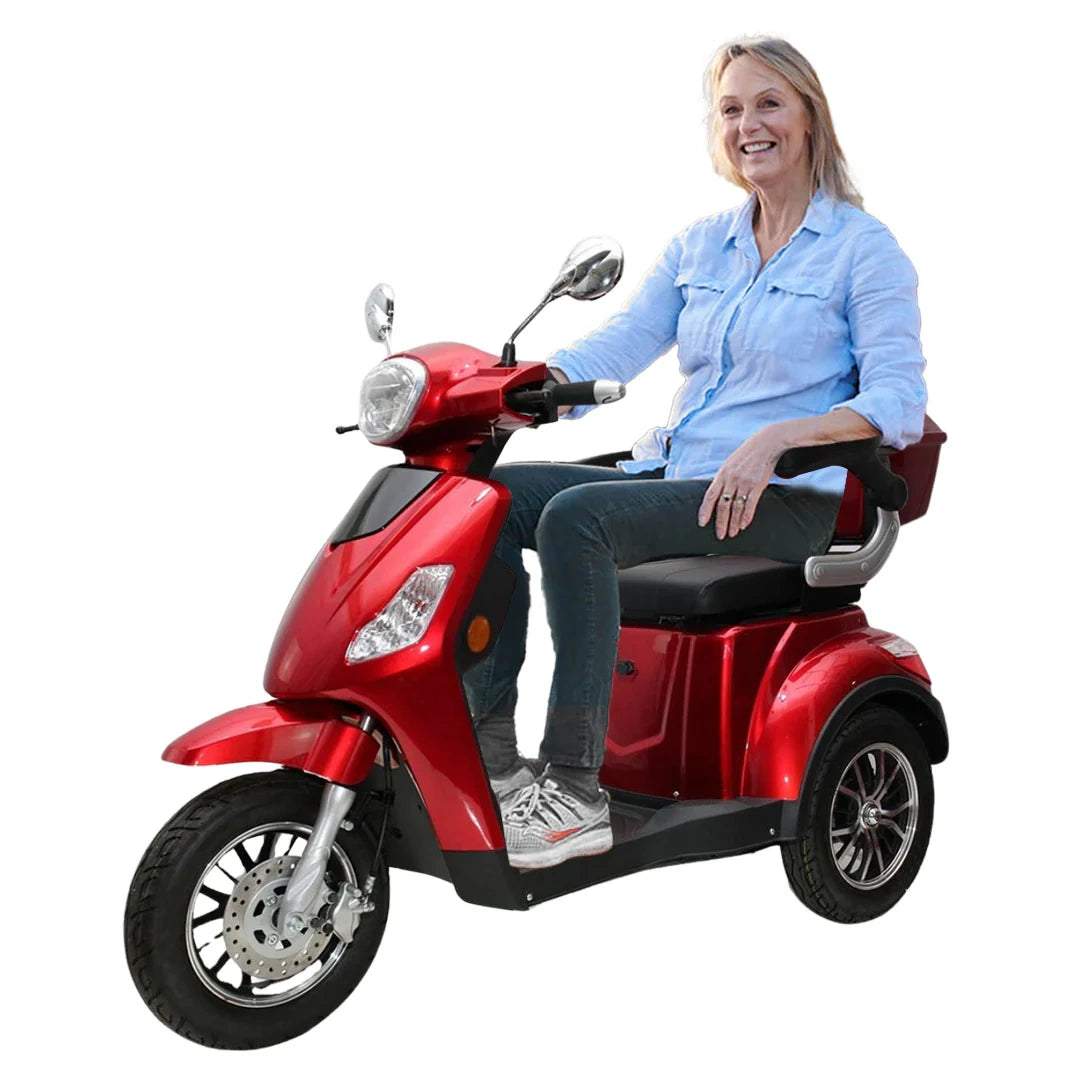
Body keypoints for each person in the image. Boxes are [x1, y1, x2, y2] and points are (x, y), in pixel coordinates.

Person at [463, 36, 928, 870]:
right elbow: (620, 343)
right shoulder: (700, 246)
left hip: (788, 497)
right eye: (731, 109)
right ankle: (493, 760)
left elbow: (898, 403)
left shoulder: (864, 249)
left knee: (576, 520)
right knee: (480, 501)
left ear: (810, 116)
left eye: (769, 103)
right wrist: (512, 392)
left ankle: (573, 789)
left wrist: (779, 437)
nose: (749, 125)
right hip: (681, 477)